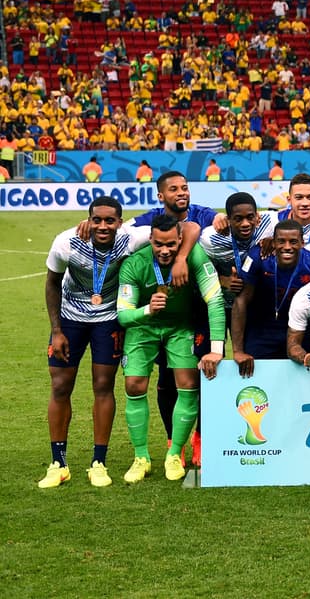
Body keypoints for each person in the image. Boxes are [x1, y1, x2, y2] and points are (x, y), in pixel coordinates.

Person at [38, 197, 150, 489]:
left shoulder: (131, 239)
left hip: (108, 319)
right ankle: (58, 463)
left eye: (109, 220)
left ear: (120, 222)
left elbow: (178, 227)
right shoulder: (66, 243)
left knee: (103, 385)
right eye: (97, 219)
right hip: (70, 319)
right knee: (61, 386)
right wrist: (57, 330)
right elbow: (52, 283)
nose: (103, 226)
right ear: (88, 219)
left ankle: (98, 462)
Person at [115, 215, 225, 484]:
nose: (165, 251)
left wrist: (217, 349)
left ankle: (175, 453)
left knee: (188, 383)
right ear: (150, 240)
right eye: (158, 245)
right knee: (134, 386)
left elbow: (215, 300)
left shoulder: (196, 257)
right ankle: (141, 457)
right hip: (143, 326)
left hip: (180, 327)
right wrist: (148, 309)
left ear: (180, 241)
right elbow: (123, 315)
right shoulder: (134, 263)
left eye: (171, 245)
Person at [230, 219, 310, 376]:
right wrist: (238, 351)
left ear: (302, 243)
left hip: (301, 330)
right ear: (273, 242)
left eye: (293, 242)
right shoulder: (258, 257)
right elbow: (241, 301)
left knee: (306, 378)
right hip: (263, 330)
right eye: (281, 241)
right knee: (257, 378)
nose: (287, 247)